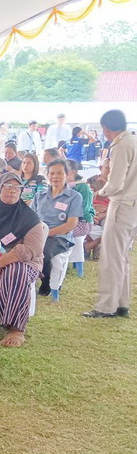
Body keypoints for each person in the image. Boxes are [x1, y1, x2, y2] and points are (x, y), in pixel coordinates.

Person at [0, 173, 47, 347]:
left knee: (15, 272)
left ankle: (16, 328)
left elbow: (31, 249)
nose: (13, 190)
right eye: (8, 186)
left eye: (17, 187)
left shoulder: (29, 218)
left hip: (23, 263)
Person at [84, 110, 137, 317]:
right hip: (132, 206)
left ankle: (106, 306)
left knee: (111, 258)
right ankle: (121, 303)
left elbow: (115, 183)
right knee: (121, 256)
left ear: (106, 129)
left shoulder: (120, 145)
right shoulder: (133, 141)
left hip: (121, 204)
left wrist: (99, 192)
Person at [31, 159, 83, 297]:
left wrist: (46, 233)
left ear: (67, 174)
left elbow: (71, 224)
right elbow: (30, 218)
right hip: (39, 234)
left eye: (59, 173)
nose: (55, 177)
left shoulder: (74, 197)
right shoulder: (39, 196)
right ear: (48, 175)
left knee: (45, 252)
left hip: (60, 237)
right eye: (52, 173)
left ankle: (46, 284)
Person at [67, 160, 95, 242]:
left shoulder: (82, 186)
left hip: (82, 222)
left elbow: (84, 209)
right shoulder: (62, 186)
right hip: (66, 220)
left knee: (60, 233)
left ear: (73, 171)